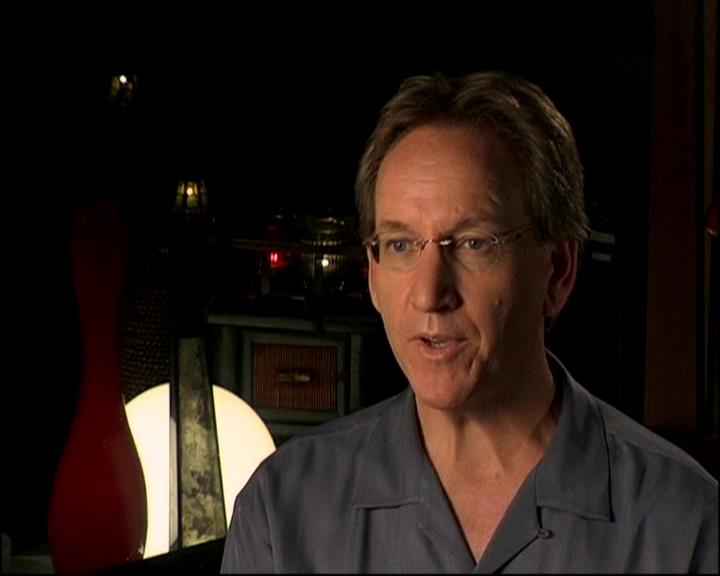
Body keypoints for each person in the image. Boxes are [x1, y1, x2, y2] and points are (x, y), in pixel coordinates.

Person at [221, 71, 718, 573]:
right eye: (401, 244)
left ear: (558, 271)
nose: (429, 294)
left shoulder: (686, 525)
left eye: (474, 243)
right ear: (372, 272)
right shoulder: (281, 512)